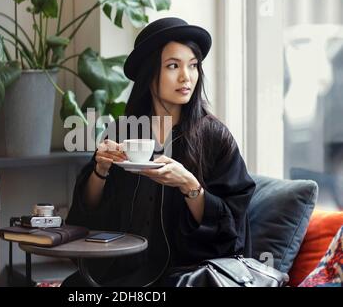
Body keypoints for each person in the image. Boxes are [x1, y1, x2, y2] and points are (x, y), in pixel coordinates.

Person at [63, 17, 256, 287]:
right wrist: (100, 169)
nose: (185, 77)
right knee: (75, 287)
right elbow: (89, 212)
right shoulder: (123, 131)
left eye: (193, 66)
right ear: (149, 72)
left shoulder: (214, 136)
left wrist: (190, 186)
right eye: (173, 66)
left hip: (183, 271)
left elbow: (232, 227)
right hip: (121, 266)